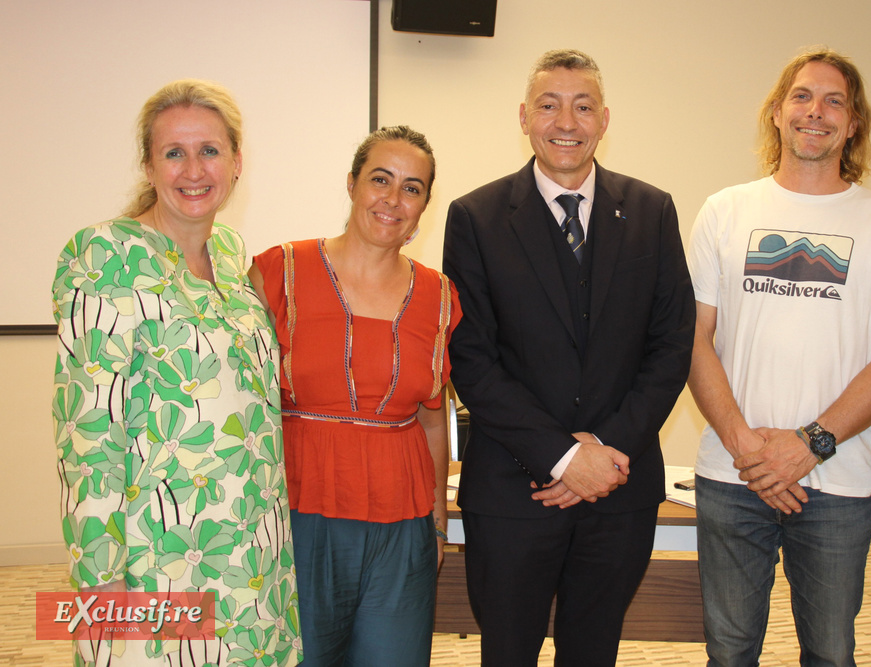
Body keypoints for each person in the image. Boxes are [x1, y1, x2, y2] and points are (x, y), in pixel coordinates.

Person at [442, 49, 695, 666]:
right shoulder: (474, 217)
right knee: (508, 655)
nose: (567, 121)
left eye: (583, 107)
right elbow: (471, 358)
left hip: (618, 487)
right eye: (550, 105)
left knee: (593, 653)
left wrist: (603, 455)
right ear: (524, 117)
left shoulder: (652, 210)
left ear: (604, 120)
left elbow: (671, 344)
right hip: (512, 493)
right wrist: (561, 457)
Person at [50, 79, 301, 666]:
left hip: (250, 551)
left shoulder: (235, 255)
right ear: (148, 164)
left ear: (237, 162)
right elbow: (87, 432)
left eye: (209, 151)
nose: (194, 169)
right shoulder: (105, 256)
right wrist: (100, 579)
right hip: (155, 555)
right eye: (174, 152)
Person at [686, 47, 871, 667]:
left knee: (830, 654)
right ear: (777, 112)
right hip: (733, 478)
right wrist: (746, 447)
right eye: (802, 96)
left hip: (837, 482)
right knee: (729, 654)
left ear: (854, 123)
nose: (815, 111)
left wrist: (807, 445)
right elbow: (693, 338)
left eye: (834, 100)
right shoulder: (725, 210)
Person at [249, 125, 460, 666]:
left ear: (424, 206)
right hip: (299, 509)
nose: (393, 199)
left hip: (403, 522)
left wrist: (437, 520)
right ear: (351, 185)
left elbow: (433, 421)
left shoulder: (439, 297)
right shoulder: (279, 271)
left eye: (412, 188)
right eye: (380, 180)